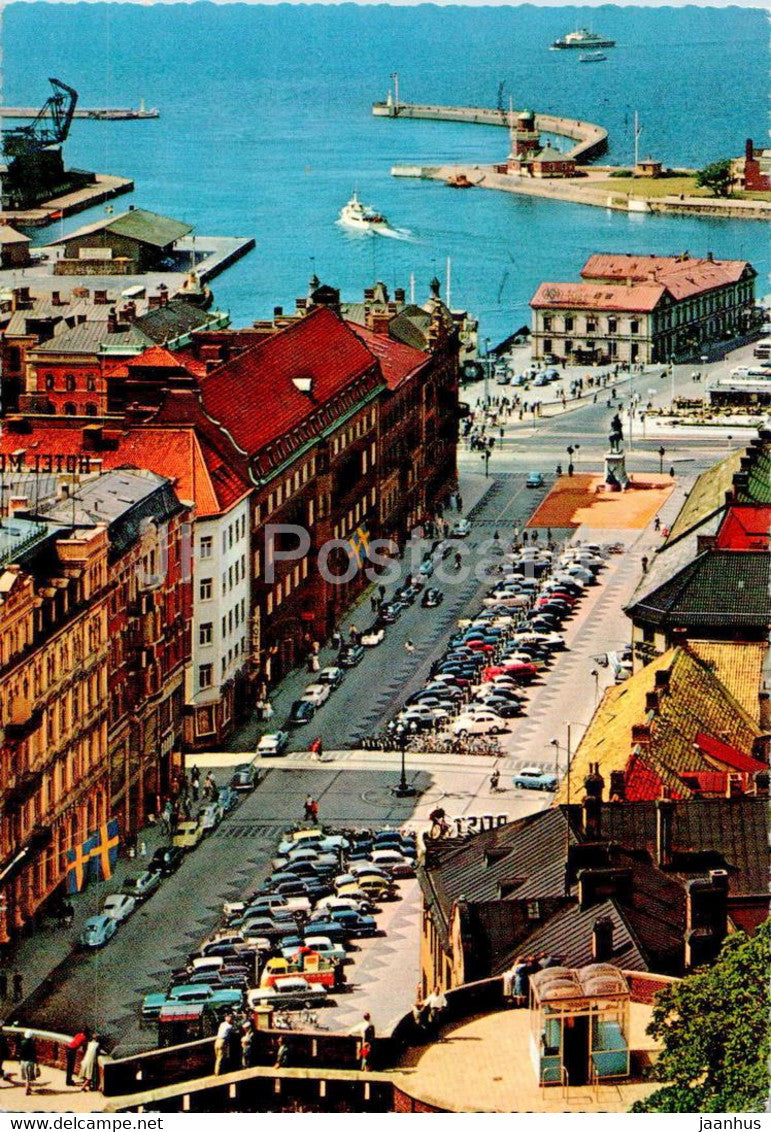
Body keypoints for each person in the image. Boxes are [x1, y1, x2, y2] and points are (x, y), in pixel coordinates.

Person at [19, 1031, 37, 1096]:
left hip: (23, 1061)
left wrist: (19, 1061)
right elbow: (34, 1055)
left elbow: (20, 1053)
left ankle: (28, 1087)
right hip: (30, 1062)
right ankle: (27, 1089)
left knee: (26, 1076)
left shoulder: (22, 1043)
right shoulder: (32, 1044)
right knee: (28, 1077)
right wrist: (37, 1064)